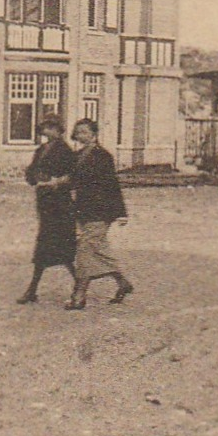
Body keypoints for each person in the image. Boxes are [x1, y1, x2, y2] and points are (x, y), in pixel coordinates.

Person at [65, 117, 132, 309]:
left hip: (101, 211)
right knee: (99, 249)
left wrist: (121, 212)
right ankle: (123, 283)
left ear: (94, 134)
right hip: (83, 209)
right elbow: (72, 180)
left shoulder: (103, 156)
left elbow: (112, 185)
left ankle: (79, 296)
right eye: (78, 132)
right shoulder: (77, 156)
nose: (80, 135)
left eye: (85, 132)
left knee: (84, 250)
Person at [18, 113, 76, 303]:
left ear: (58, 130)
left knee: (57, 246)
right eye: (44, 128)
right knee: (50, 246)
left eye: (50, 127)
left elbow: (73, 176)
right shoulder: (41, 149)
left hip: (60, 204)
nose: (46, 131)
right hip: (45, 202)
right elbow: (31, 172)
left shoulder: (65, 150)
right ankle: (34, 289)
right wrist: (35, 177)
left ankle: (34, 290)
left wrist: (55, 182)